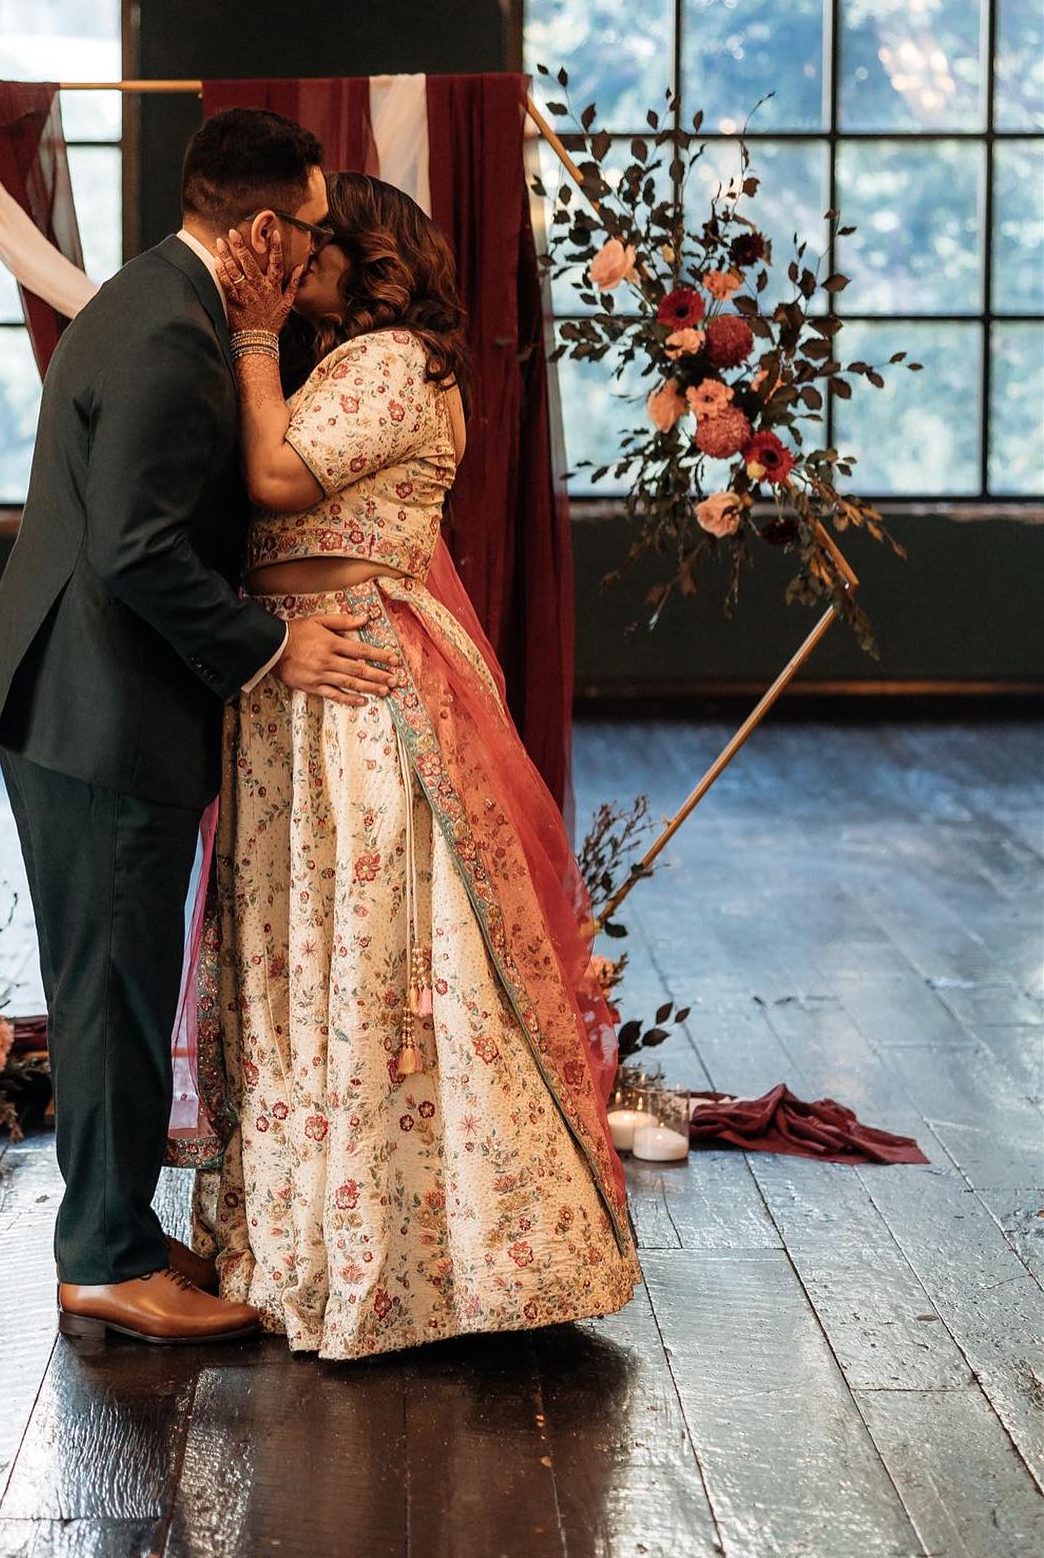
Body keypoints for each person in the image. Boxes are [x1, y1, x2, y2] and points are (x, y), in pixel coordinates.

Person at [0, 110, 397, 1345]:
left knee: (126, 983)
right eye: (311, 229)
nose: (319, 254)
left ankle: (126, 1231)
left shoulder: (165, 295)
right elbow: (137, 548)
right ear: (263, 228)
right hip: (98, 710)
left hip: (99, 700)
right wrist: (276, 646)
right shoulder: (166, 330)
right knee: (112, 992)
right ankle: (103, 1259)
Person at [191, 173, 642, 1359]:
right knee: (308, 950)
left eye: (316, 245)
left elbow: (277, 482)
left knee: (378, 948)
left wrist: (251, 337)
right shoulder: (352, 362)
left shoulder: (392, 361)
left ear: (369, 259)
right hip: (299, 679)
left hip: (356, 682)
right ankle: (313, 1241)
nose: (294, 262)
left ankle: (421, 1261)